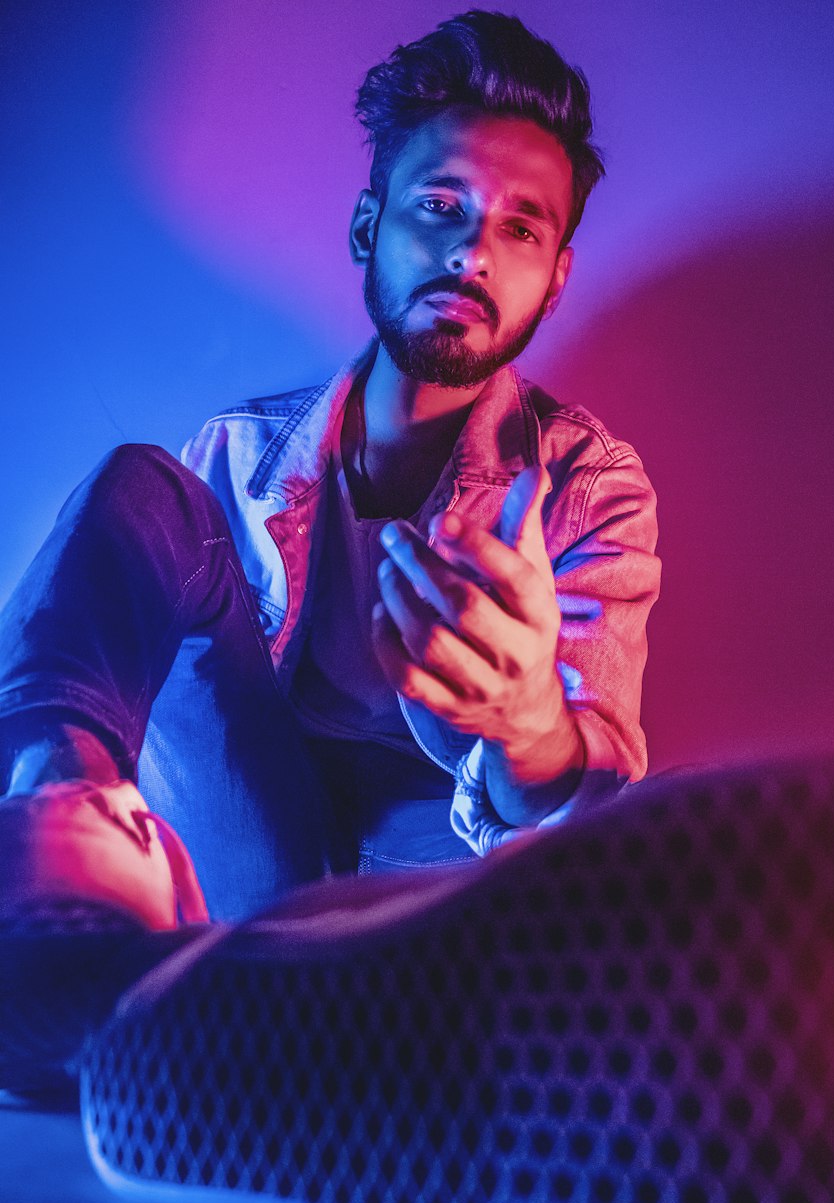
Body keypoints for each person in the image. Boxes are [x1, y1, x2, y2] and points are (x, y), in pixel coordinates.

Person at [0, 12, 659, 945]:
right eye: (441, 206)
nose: (472, 254)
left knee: (667, 833)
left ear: (554, 281)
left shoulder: (591, 487)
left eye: (520, 228)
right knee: (139, 487)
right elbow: (182, 721)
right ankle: (51, 837)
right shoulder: (232, 458)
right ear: (368, 225)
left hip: (445, 882)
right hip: (254, 848)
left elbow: (585, 806)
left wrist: (530, 721)